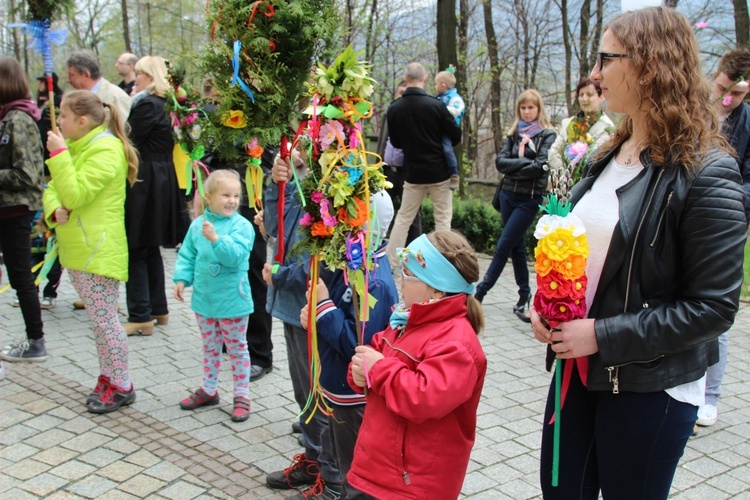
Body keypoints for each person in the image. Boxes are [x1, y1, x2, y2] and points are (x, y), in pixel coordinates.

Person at [530, 7, 746, 498]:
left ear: (649, 65)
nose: (595, 73)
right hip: (579, 372)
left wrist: (601, 335)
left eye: (607, 58)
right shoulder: (609, 152)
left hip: (651, 386)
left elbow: (714, 308)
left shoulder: (707, 172)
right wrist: (549, 309)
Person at [347, 230, 487, 499]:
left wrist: (376, 369)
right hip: (377, 467)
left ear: (436, 287)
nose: (400, 281)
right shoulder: (406, 319)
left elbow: (422, 398)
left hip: (413, 484)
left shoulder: (457, 344)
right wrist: (360, 371)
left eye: (408, 275)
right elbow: (375, 354)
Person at [42, 89, 139, 413]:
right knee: (100, 323)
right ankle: (108, 376)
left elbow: (77, 192)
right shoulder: (76, 146)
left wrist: (57, 157)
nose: (59, 123)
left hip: (97, 250)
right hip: (81, 250)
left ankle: (122, 384)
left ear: (82, 121)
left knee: (106, 322)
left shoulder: (106, 149)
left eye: (64, 117)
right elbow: (54, 190)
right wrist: (54, 210)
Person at [299, 191, 399, 500]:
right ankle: (329, 486)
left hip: (351, 391)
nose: (339, 227)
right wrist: (315, 313)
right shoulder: (353, 264)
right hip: (335, 383)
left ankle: (340, 491)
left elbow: (359, 346)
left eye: (348, 220)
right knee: (333, 444)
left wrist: (324, 308)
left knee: (350, 459)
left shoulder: (375, 282)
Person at [263, 150, 341, 496]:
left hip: (317, 306)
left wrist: (282, 276)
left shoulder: (339, 186)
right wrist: (275, 184)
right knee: (304, 393)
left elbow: (327, 258)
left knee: (321, 394)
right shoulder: (300, 181)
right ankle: (314, 461)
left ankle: (334, 476)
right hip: (293, 306)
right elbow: (275, 226)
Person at [201, 77, 276, 382]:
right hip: (220, 206)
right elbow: (207, 156)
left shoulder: (264, 115)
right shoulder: (217, 117)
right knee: (221, 269)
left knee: (252, 275)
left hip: (249, 205)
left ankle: (259, 353)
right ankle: (227, 337)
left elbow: (271, 156)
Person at [173, 169, 254, 422]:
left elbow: (236, 256)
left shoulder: (242, 226)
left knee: (237, 349)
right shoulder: (198, 224)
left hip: (233, 301)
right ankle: (209, 389)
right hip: (204, 300)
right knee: (209, 347)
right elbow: (188, 254)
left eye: (236, 195)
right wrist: (181, 278)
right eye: (225, 195)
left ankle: (242, 394)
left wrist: (217, 239)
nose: (232, 200)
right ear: (208, 197)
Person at [696, 47, 750, 428]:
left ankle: (710, 395)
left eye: (737, 93)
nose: (727, 97)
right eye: (723, 87)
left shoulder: (747, 123)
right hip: (690, 217)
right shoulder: (699, 107)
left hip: (727, 221)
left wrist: (724, 201)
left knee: (718, 308)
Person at [474, 89, 556, 322]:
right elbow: (501, 162)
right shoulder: (513, 134)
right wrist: (524, 165)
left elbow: (540, 166)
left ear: (539, 109)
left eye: (531, 107)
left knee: (503, 245)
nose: (527, 112)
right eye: (523, 108)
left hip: (529, 199)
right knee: (516, 247)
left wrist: (515, 166)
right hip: (508, 196)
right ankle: (523, 295)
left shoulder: (548, 135)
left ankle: (480, 293)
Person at [123, 55, 181, 336]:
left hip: (145, 178)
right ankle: (158, 308)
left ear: (150, 76)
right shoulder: (168, 104)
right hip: (161, 175)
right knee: (150, 246)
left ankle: (140, 314)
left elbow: (128, 140)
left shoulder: (146, 104)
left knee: (136, 246)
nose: (136, 79)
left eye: (140, 74)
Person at [385, 62, 461, 270]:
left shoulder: (395, 108)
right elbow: (455, 135)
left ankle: (392, 264)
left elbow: (397, 142)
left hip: (413, 173)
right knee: (443, 218)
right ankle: (444, 262)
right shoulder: (436, 106)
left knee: (404, 218)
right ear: (425, 79)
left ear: (405, 78)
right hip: (440, 172)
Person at [0, 57, 48, 363]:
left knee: (20, 276)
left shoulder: (18, 119)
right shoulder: (7, 117)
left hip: (15, 210)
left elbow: (27, 175)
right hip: (6, 208)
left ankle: (36, 341)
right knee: (17, 275)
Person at [377, 81, 421, 245]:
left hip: (408, 172)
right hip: (387, 170)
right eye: (400, 92)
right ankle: (376, 246)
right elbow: (383, 140)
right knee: (379, 208)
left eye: (405, 93)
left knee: (412, 216)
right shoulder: (390, 112)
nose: (402, 96)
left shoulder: (416, 115)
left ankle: (414, 252)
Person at [548, 78, 614, 183]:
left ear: (600, 97)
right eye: (581, 95)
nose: (584, 99)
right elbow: (553, 152)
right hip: (565, 184)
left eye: (589, 94)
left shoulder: (607, 128)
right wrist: (568, 173)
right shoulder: (569, 124)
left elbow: (597, 161)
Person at [66, 51, 131, 128]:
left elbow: (120, 132)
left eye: (71, 75)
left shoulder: (116, 97)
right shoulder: (74, 99)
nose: (68, 80)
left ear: (86, 75)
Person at [434, 70, 465, 191]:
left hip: (447, 130)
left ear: (443, 85)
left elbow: (456, 110)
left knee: (447, 149)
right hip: (438, 128)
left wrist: (440, 111)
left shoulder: (455, 98)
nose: (435, 87)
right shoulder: (439, 98)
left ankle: (453, 173)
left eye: (436, 84)